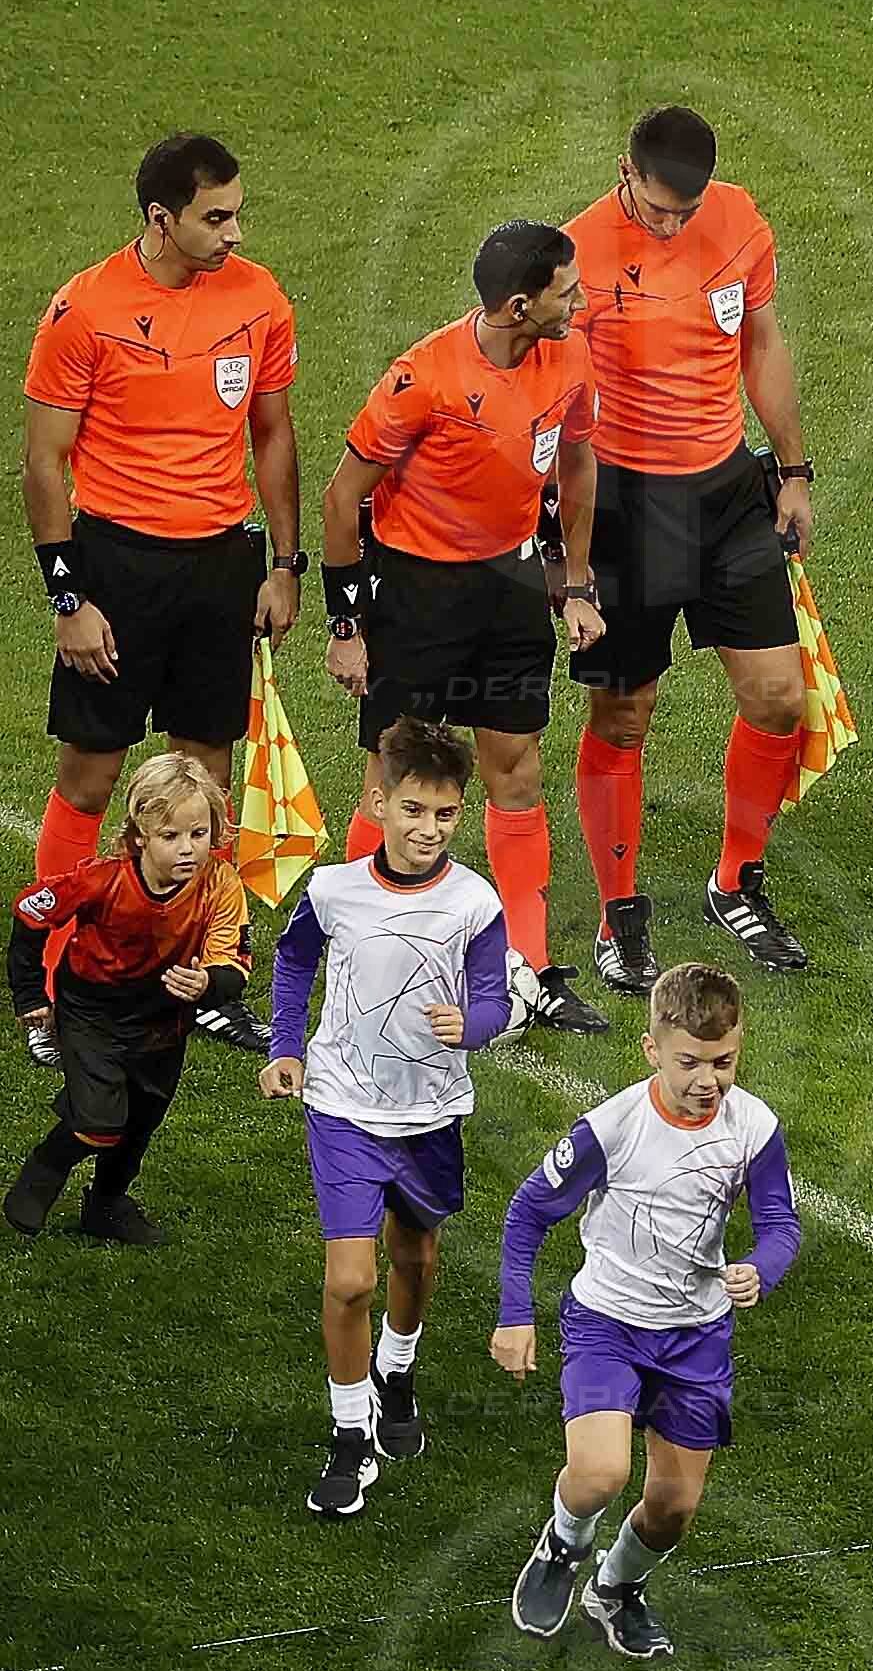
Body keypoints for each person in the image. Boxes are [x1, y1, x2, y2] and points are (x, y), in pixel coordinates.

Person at [24, 132, 297, 1070]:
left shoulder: (256, 297)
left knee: (203, 782)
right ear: (160, 219)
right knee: (93, 777)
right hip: (117, 565)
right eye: (215, 217)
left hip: (220, 561)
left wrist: (285, 563)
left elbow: (272, 434)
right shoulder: (87, 310)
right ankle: (54, 971)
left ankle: (205, 972)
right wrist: (69, 597)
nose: (233, 232)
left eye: (236, 212)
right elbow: (44, 460)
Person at [559, 105, 823, 994]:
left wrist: (793, 470)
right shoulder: (578, 256)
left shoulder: (740, 221)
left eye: (686, 212)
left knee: (781, 698)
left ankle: (735, 879)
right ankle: (618, 911)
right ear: (623, 171)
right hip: (626, 506)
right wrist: (571, 557)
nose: (673, 226)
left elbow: (762, 343)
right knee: (624, 716)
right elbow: (561, 418)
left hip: (724, 496)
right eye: (658, 210)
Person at [324, 220, 606, 1036]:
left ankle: (530, 965)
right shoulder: (426, 377)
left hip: (511, 585)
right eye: (567, 290)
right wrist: (348, 626)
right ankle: (361, 952)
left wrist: (575, 583)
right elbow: (345, 498)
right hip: (417, 593)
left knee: (515, 771)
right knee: (397, 776)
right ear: (521, 305)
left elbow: (576, 461)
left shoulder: (571, 356)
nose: (580, 299)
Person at [490, 963, 803, 1663]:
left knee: (673, 1510)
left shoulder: (754, 1126)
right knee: (600, 1474)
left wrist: (763, 1267)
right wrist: (516, 1314)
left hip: (696, 1336)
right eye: (689, 1061)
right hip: (608, 1324)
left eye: (723, 1062)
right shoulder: (614, 1127)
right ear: (652, 1050)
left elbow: (782, 1224)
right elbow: (528, 1211)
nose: (707, 1080)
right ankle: (564, 1545)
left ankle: (616, 1589)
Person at [261, 719, 515, 1521]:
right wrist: (285, 1045)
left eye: (443, 816)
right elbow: (294, 957)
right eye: (411, 810)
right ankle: (348, 1436)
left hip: (429, 1112)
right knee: (351, 1279)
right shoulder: (334, 891)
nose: (426, 830)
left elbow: (493, 996)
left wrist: (471, 1028)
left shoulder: (474, 901)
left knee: (417, 1259)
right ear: (378, 802)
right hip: (341, 1107)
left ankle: (395, 1371)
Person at [4, 750, 241, 1241]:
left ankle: (106, 1206)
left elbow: (234, 963)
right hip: (92, 1009)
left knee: (139, 1122)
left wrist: (207, 985)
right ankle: (46, 1167)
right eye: (170, 836)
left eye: (199, 835)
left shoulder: (220, 885)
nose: (187, 850)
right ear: (139, 837)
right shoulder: (101, 879)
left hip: (164, 1018)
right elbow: (31, 912)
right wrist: (31, 995)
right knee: (100, 1119)